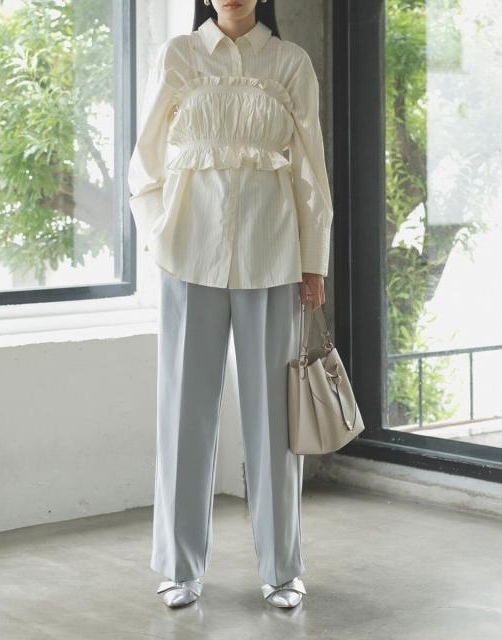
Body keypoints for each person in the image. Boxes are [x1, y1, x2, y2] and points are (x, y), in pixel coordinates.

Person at [128, 0, 333, 609]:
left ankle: (282, 570)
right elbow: (146, 162)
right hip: (187, 256)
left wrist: (314, 259)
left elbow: (311, 169)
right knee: (183, 415)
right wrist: (160, 237)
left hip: (274, 254)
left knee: (275, 423)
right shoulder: (178, 56)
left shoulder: (291, 63)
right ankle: (178, 568)